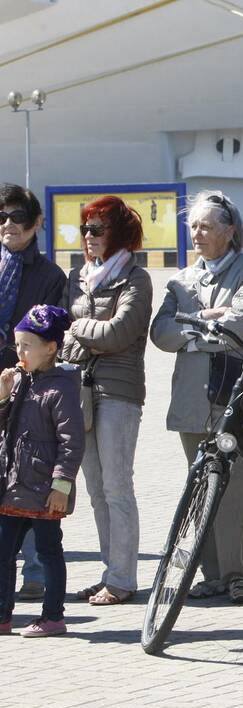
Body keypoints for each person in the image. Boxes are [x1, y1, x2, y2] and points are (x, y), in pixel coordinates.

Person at [151, 191, 243, 605]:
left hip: (238, 396)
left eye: (206, 226)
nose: (197, 234)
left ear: (230, 230)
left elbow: (242, 326)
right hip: (192, 399)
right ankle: (211, 576)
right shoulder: (180, 280)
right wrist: (204, 324)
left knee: (237, 487)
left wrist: (190, 325)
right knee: (200, 485)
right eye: (193, 227)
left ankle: (238, 575)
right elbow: (161, 333)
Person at [60, 196, 152, 606]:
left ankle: (123, 579)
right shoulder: (78, 277)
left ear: (119, 233)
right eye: (85, 229)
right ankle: (108, 573)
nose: (89, 237)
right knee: (95, 489)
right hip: (79, 391)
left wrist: (78, 327)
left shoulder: (136, 278)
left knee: (117, 487)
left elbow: (119, 333)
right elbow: (60, 332)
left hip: (118, 393)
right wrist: (84, 333)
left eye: (98, 229)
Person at [0, 305, 83, 637]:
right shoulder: (19, 381)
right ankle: (3, 615)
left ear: (50, 348)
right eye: (18, 345)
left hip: (46, 490)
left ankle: (53, 616)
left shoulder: (60, 388)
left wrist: (61, 484)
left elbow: (72, 441)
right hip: (12, 484)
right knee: (4, 553)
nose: (20, 352)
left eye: (27, 346)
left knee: (49, 552)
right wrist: (3, 397)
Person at [0, 184, 65, 602]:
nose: (9, 225)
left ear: (38, 223)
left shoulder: (50, 276)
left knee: (28, 472)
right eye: (2, 217)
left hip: (27, 384)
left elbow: (51, 332)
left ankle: (36, 574)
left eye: (19, 217)